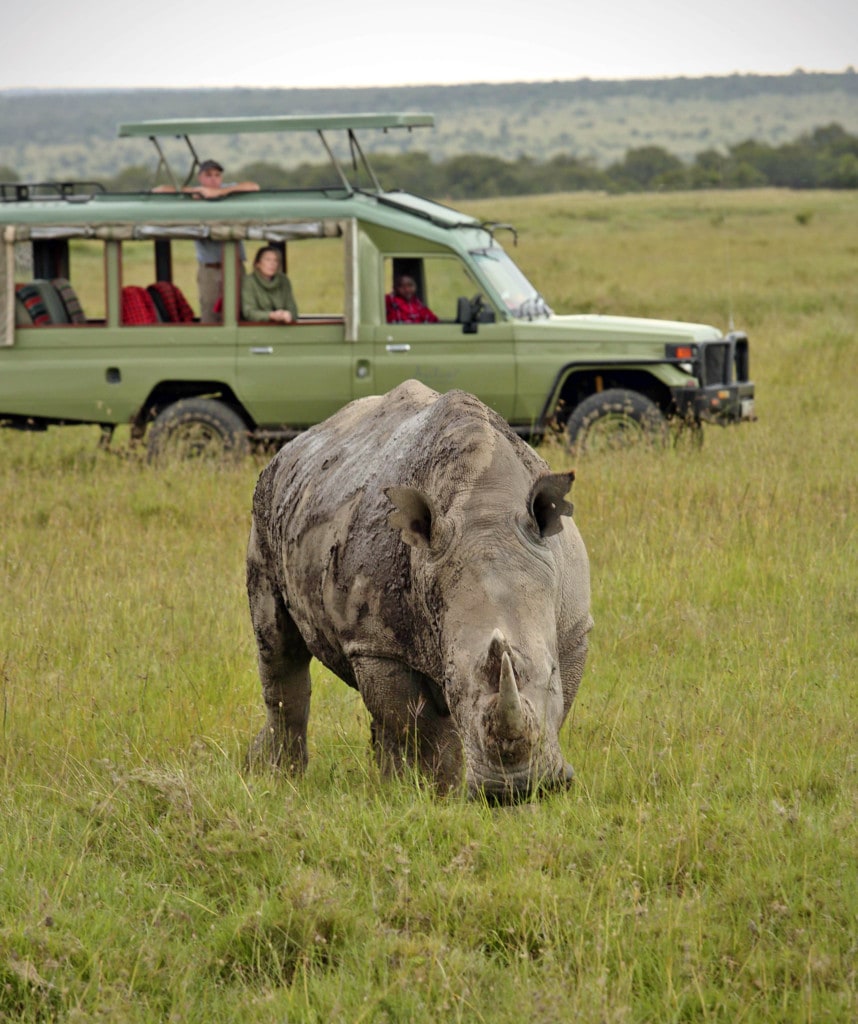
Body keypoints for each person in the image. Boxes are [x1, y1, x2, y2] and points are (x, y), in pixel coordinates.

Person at [154, 159, 259, 323]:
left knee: (240, 309)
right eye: (208, 175)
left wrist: (219, 193)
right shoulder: (194, 194)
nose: (213, 179)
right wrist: (194, 192)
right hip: (209, 269)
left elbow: (253, 186)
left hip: (235, 266)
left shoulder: (228, 190)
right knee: (210, 312)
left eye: (217, 175)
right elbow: (159, 190)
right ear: (200, 178)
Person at [242, 246, 299, 324]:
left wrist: (287, 315)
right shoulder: (249, 282)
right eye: (268, 260)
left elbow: (293, 310)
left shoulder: (284, 281)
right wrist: (271, 315)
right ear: (257, 264)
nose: (272, 264)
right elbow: (249, 313)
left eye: (275, 260)